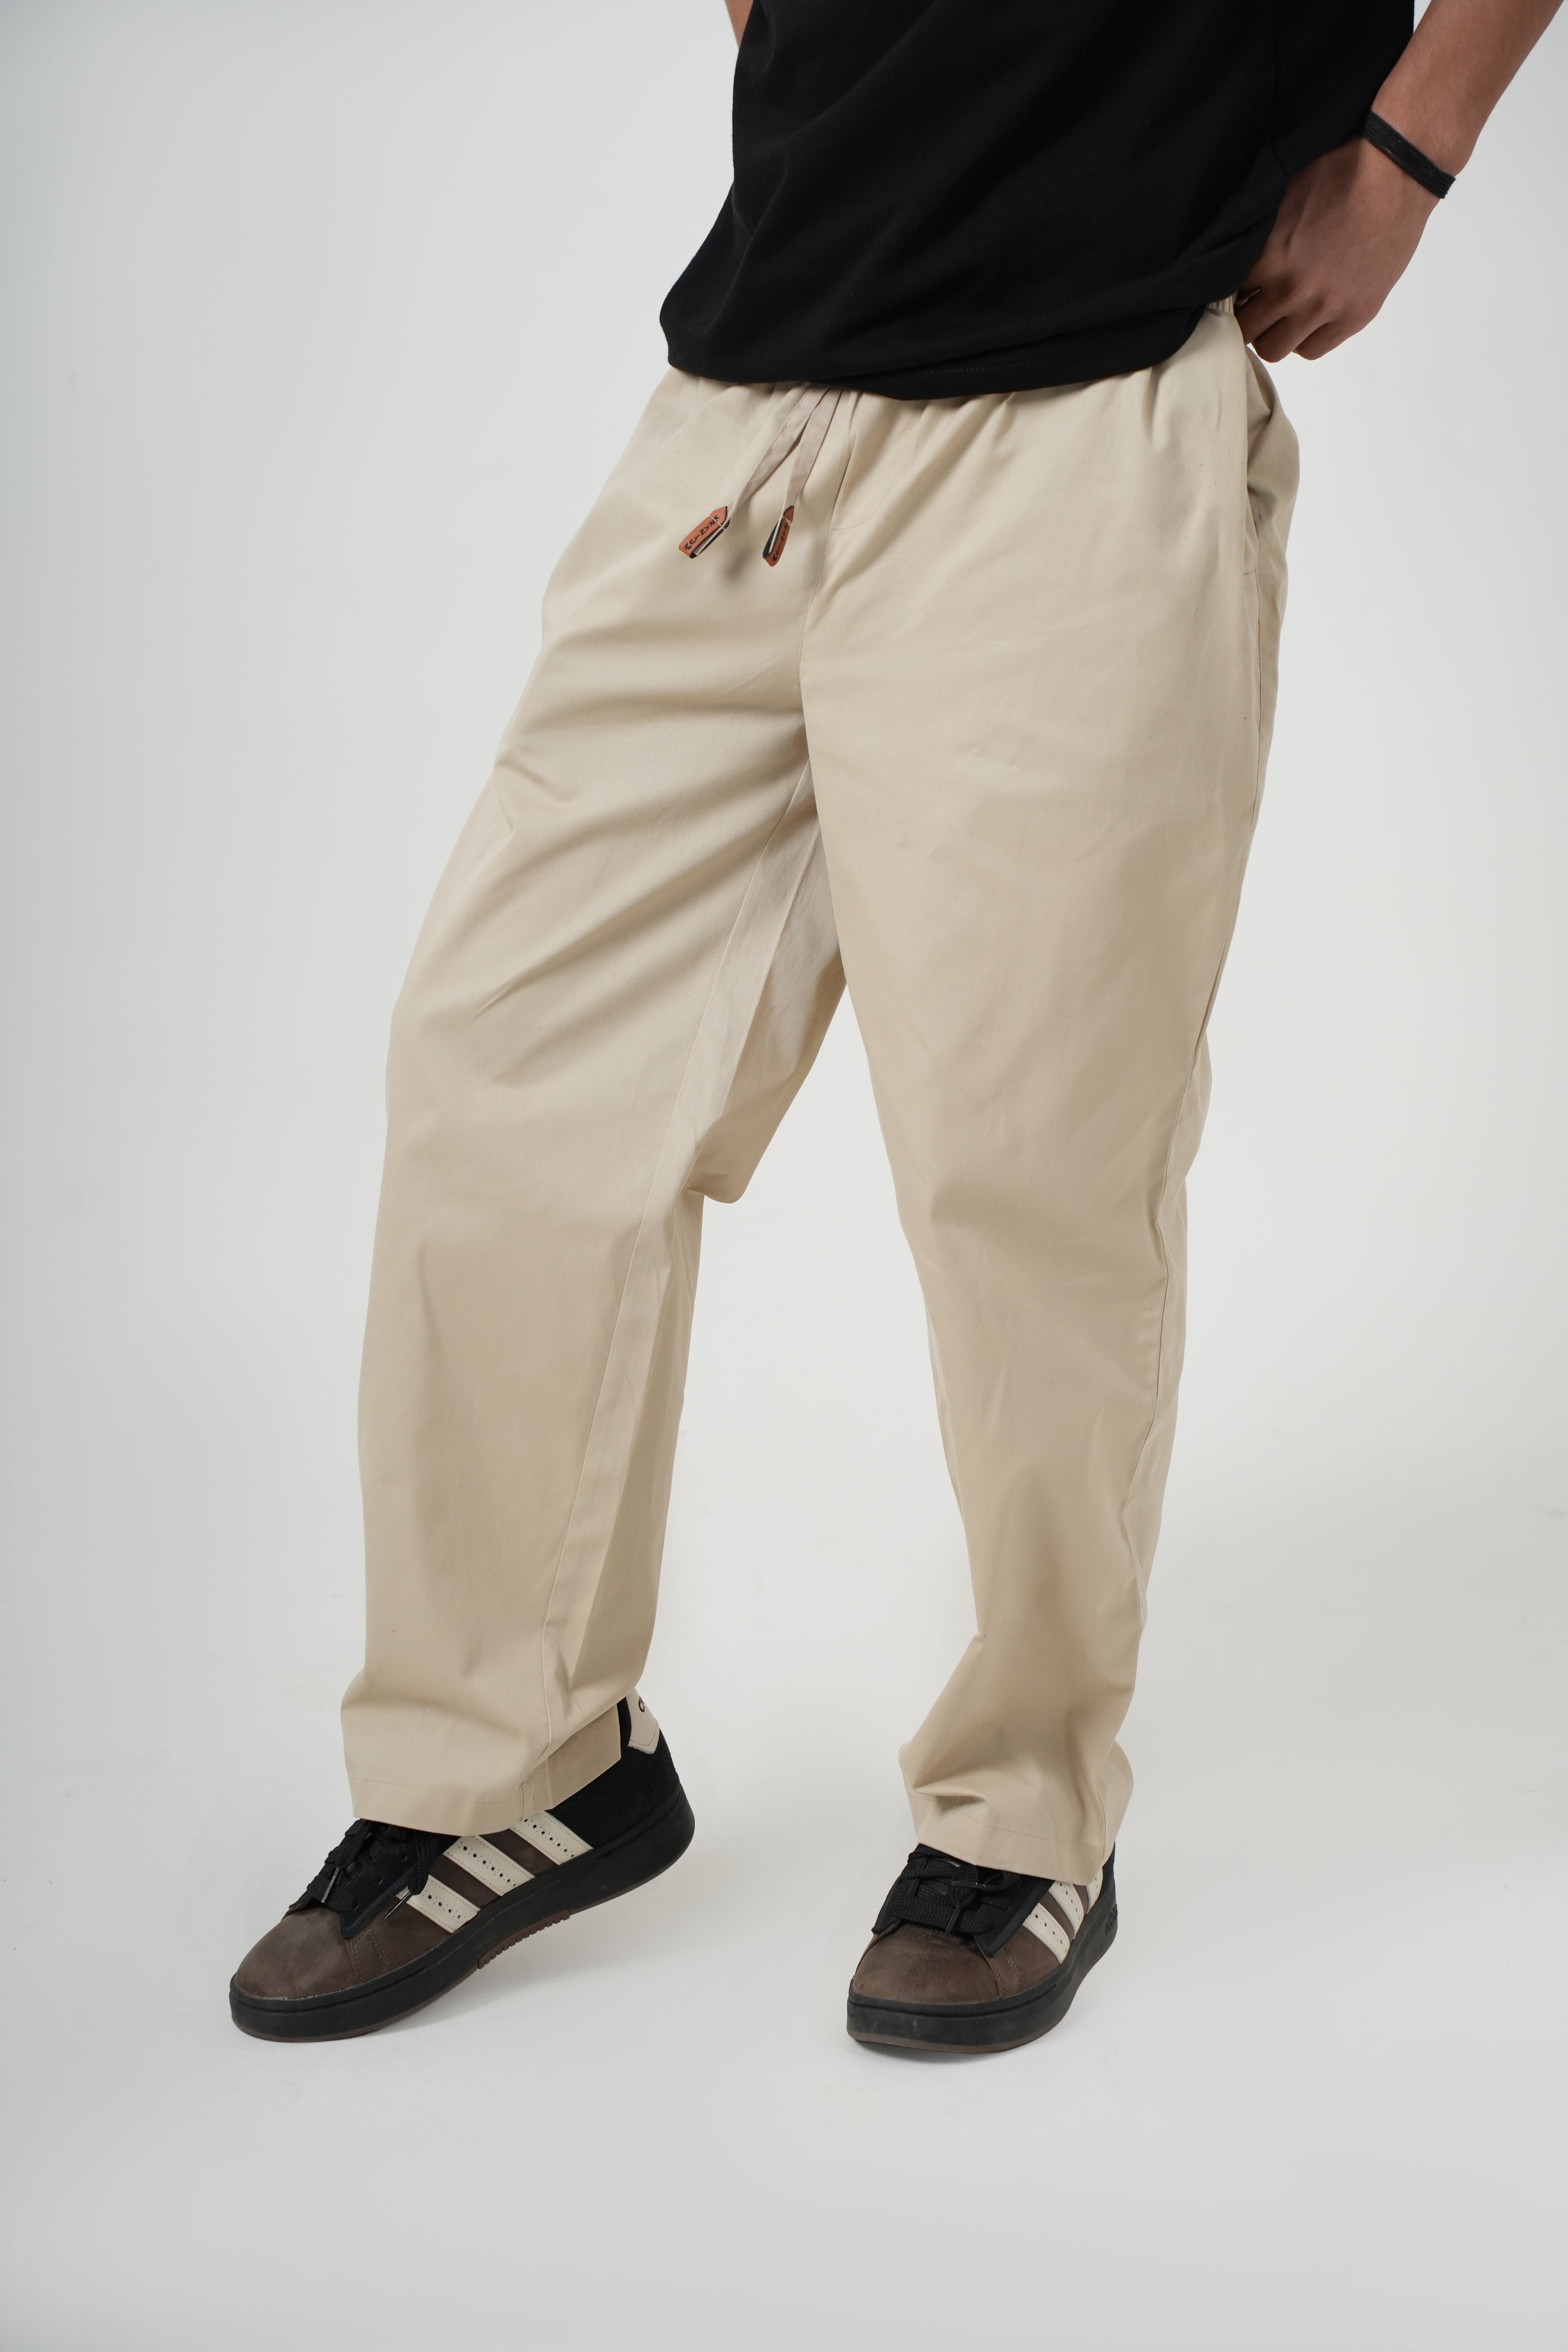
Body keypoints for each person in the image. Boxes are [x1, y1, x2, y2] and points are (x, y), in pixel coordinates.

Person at [229, 0, 1560, 2054]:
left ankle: (1029, 1809)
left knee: (1027, 1166)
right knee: (499, 1077)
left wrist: (1407, 153)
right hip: (751, 406)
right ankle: (517, 1764)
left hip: (1085, 397)